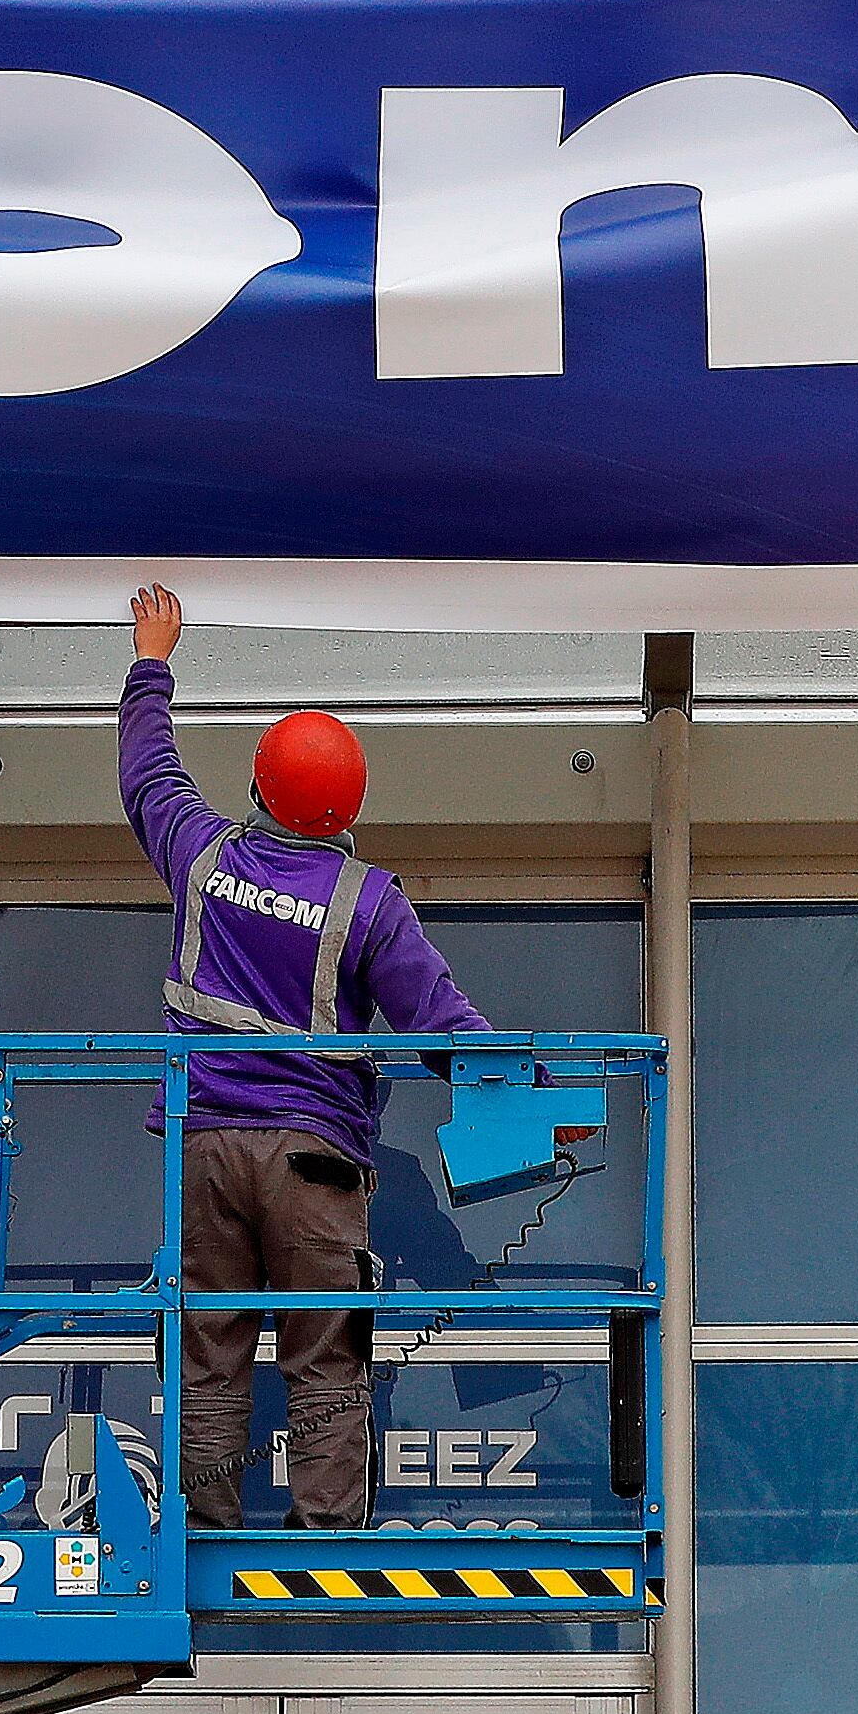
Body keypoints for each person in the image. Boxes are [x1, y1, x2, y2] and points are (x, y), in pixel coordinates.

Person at [116, 579, 489, 1530]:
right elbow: (441, 1023)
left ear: (257, 790)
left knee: (211, 1347)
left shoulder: (202, 856)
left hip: (200, 1147)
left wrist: (153, 662)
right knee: (326, 1351)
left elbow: (148, 777)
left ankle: (205, 1526)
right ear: (349, 808)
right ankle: (328, 1531)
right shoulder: (369, 900)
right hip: (314, 1163)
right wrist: (526, 1079)